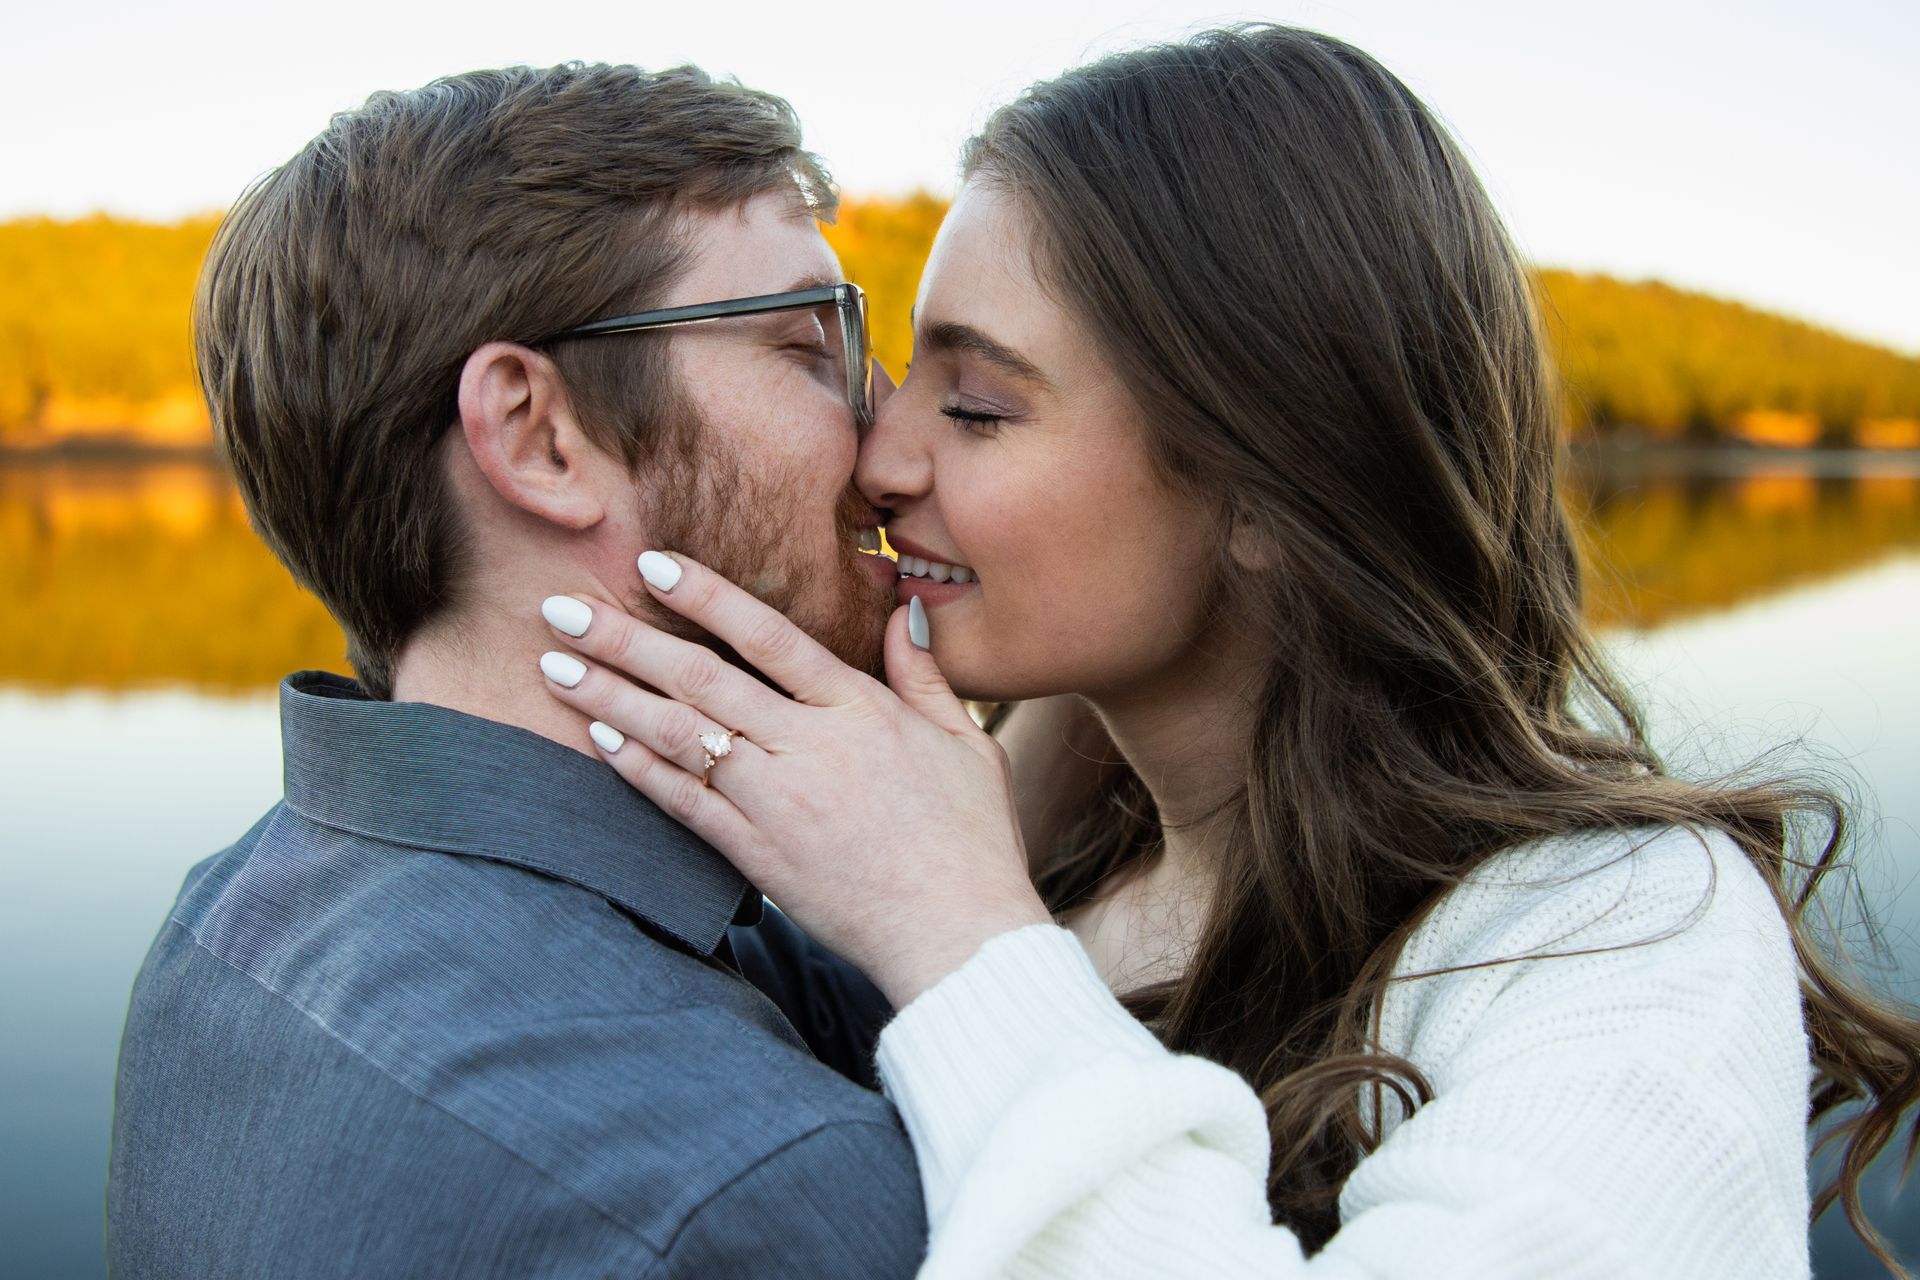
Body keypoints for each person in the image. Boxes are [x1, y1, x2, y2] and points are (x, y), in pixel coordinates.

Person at [537, 25, 1920, 1279]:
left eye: (976, 404)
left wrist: (951, 930)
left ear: (1267, 493)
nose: (882, 452)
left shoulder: (1616, 934)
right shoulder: (1064, 844)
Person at [107, 63, 927, 1278]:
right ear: (540, 436)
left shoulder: (228, 917)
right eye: (810, 343)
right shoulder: (753, 1189)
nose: (892, 423)